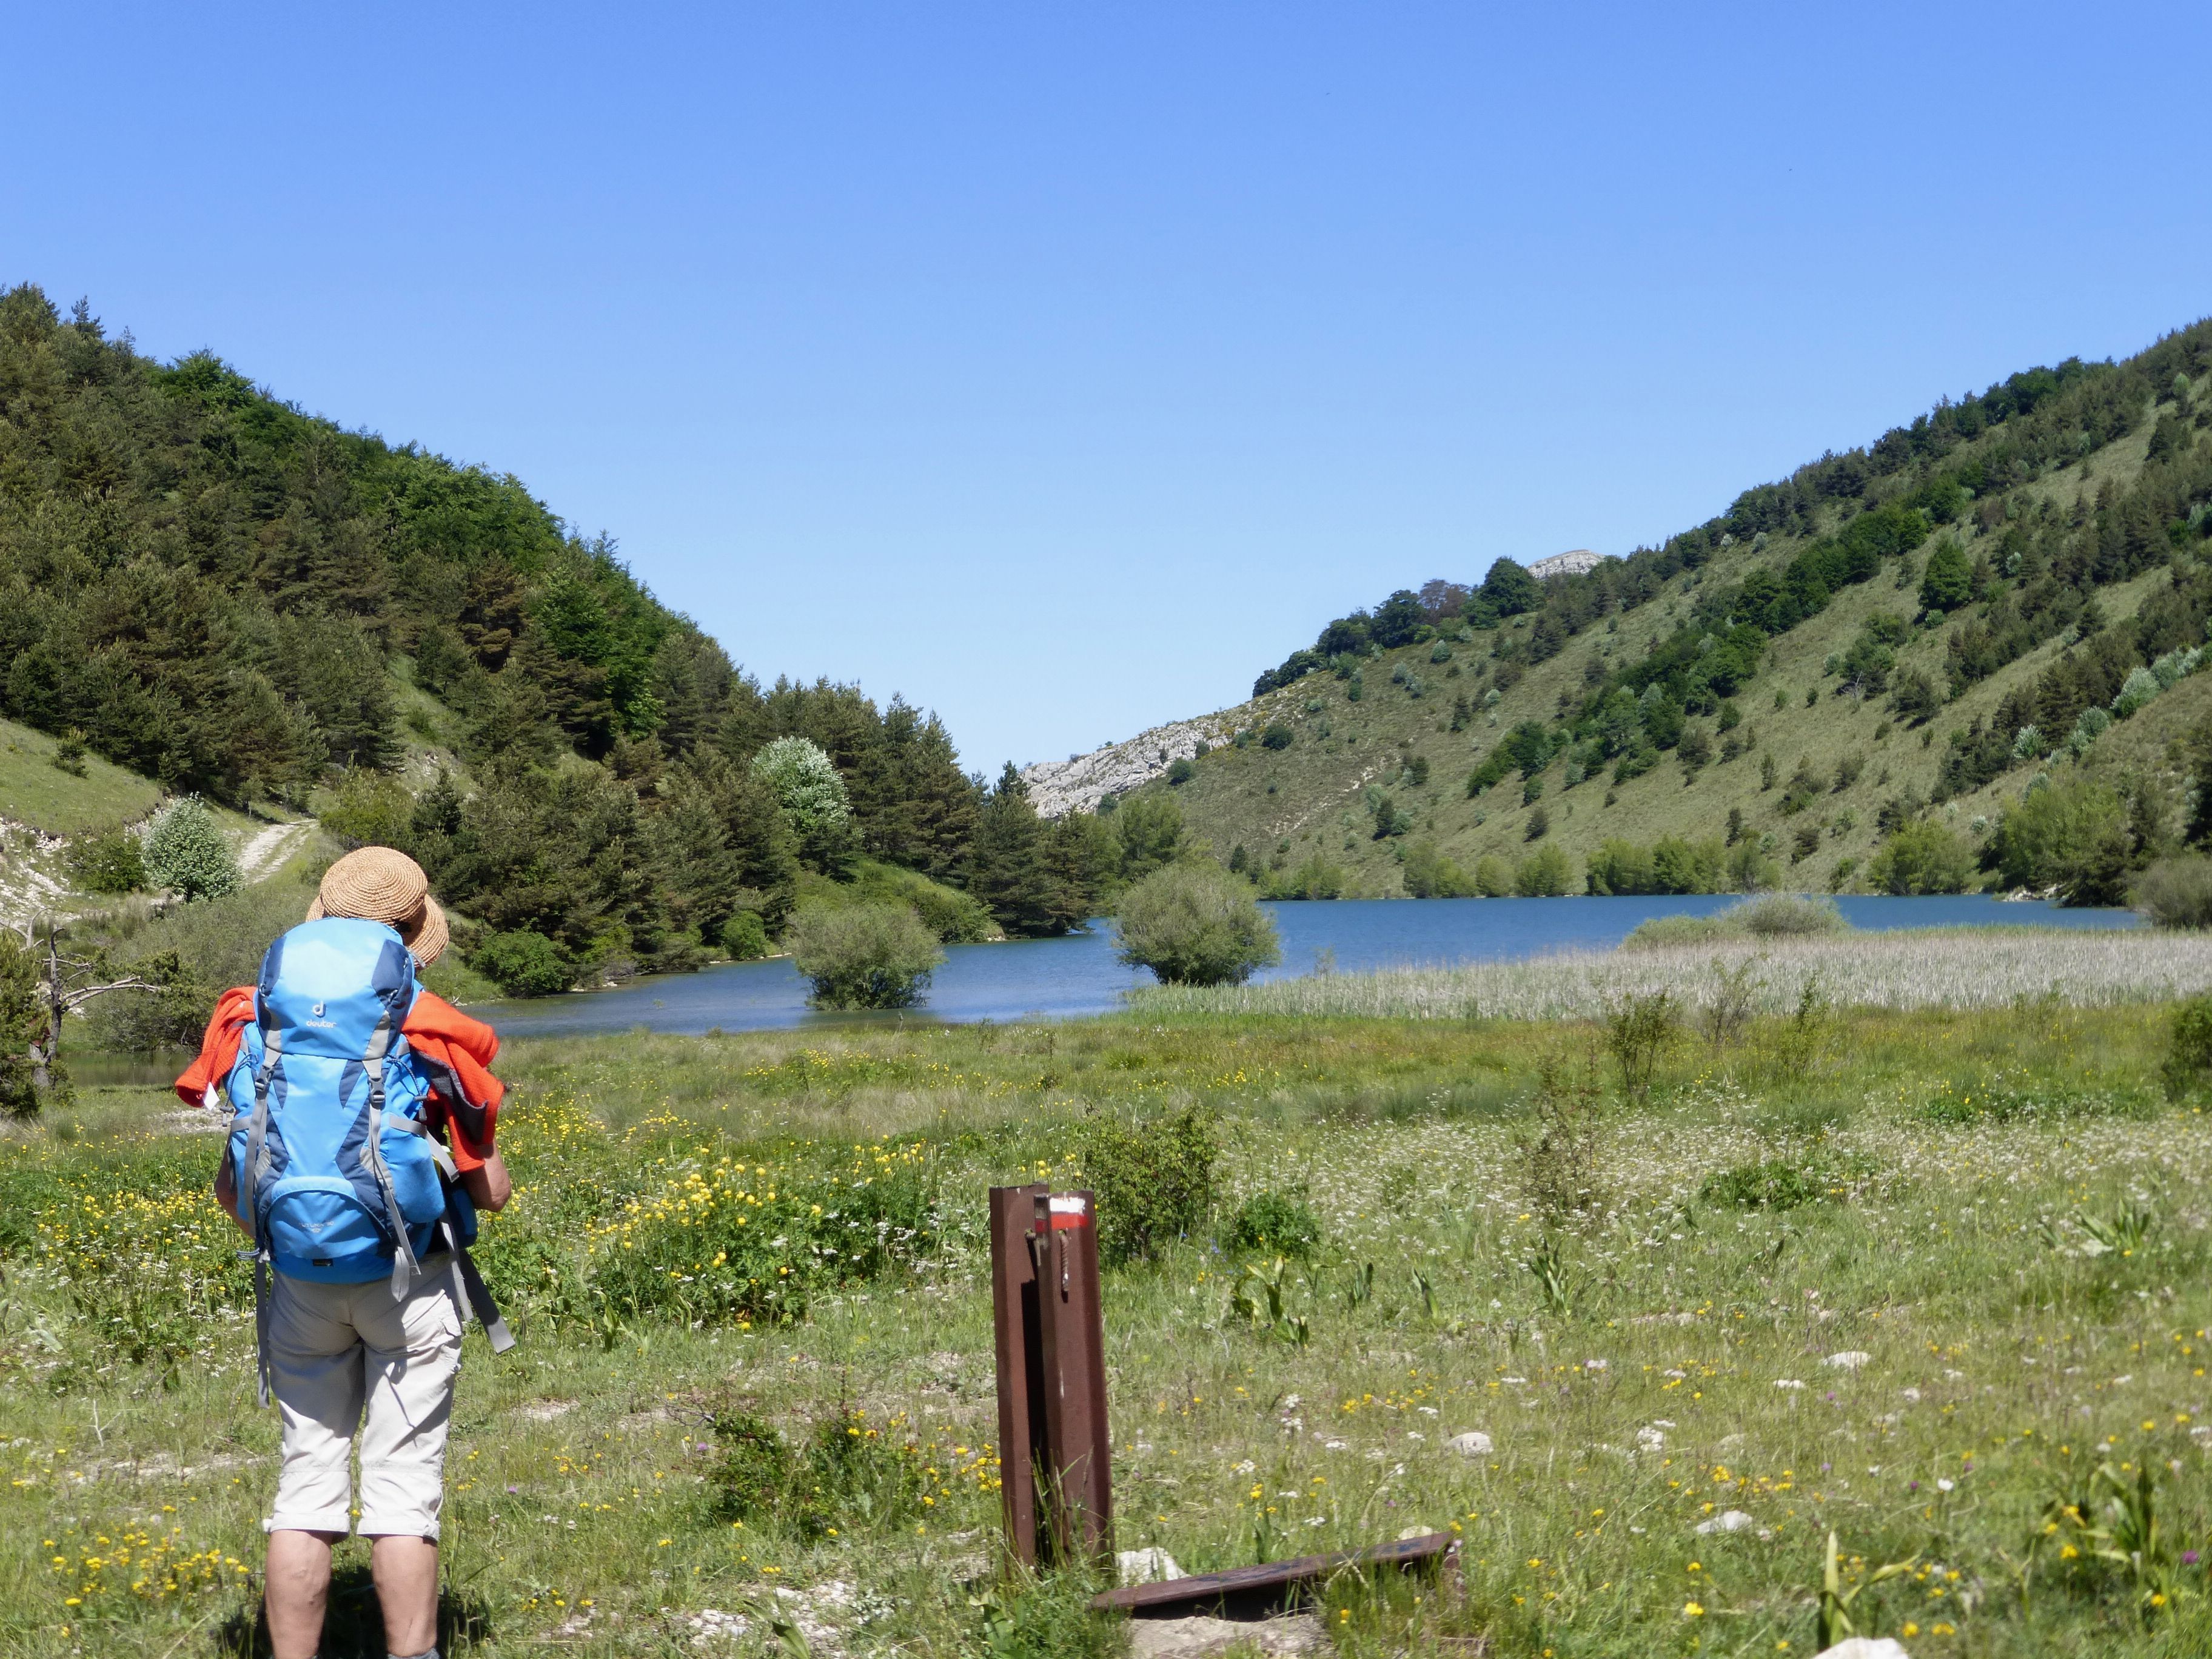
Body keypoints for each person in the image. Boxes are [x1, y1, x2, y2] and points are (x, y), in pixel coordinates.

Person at [177, 847, 511, 1659]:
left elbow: (234, 1187)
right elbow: (493, 1191)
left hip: (297, 1283)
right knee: (403, 1487)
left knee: (305, 1483)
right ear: (409, 939)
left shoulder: (258, 1021)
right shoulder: (428, 1026)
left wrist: (300, 1237)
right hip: (412, 1281)